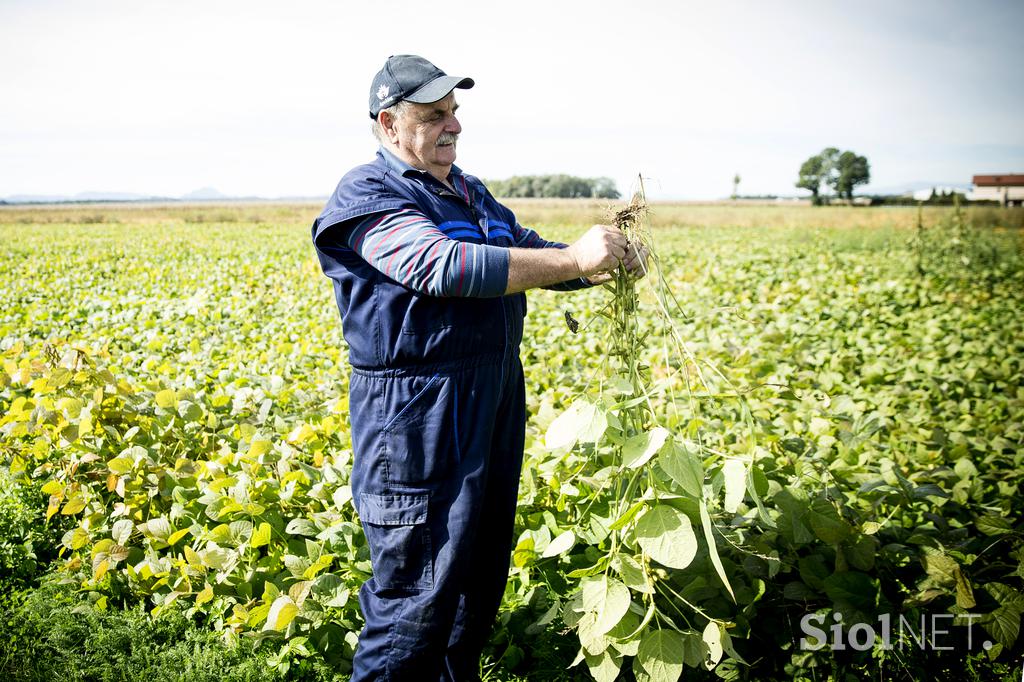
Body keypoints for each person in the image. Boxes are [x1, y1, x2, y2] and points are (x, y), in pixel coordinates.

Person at [310, 54, 648, 682]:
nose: (454, 126)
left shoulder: (468, 191)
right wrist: (575, 260)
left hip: (491, 398)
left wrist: (601, 259)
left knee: (475, 580)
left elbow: (532, 253)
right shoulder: (368, 193)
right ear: (389, 124)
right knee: (416, 592)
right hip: (414, 414)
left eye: (455, 112)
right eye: (433, 115)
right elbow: (443, 267)